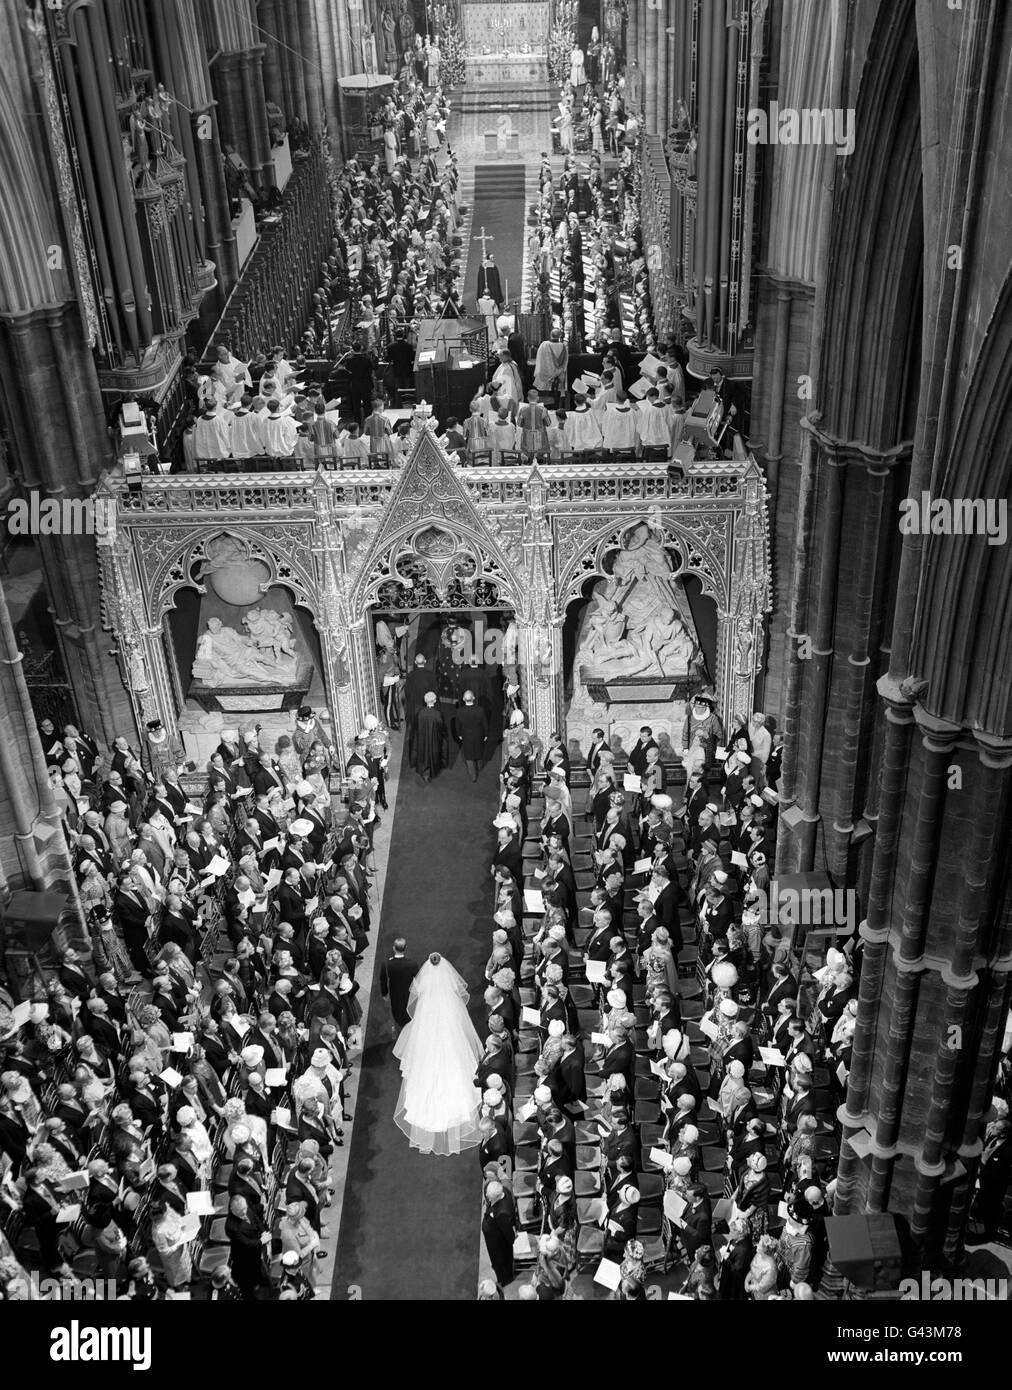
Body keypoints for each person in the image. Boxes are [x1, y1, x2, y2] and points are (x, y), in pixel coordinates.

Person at [392, 953, 483, 1154]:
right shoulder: (449, 986)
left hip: (429, 1017)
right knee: (453, 1045)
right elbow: (459, 996)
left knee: (427, 1049)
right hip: (447, 1019)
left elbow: (417, 996)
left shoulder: (424, 983)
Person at [379, 937, 419, 1033]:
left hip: (394, 991)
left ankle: (400, 1022)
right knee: (407, 1004)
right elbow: (418, 978)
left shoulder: (386, 964)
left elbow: (383, 980)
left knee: (397, 1006)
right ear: (405, 948)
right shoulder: (412, 964)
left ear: (394, 948)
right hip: (408, 991)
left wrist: (385, 993)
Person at [453, 688, 488, 782]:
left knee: (468, 756)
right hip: (479, 734)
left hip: (466, 735)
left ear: (464, 699)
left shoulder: (459, 711)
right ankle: (479, 768)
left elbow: (457, 725)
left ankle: (473, 777)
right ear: (474, 698)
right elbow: (485, 723)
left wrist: (459, 734)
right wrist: (486, 734)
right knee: (479, 752)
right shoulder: (480, 710)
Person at [412, 691, 448, 784]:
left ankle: (424, 772)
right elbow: (442, 728)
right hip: (434, 740)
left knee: (423, 755)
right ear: (434, 701)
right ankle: (433, 771)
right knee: (434, 754)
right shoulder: (438, 714)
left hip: (422, 739)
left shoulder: (420, 713)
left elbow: (416, 728)